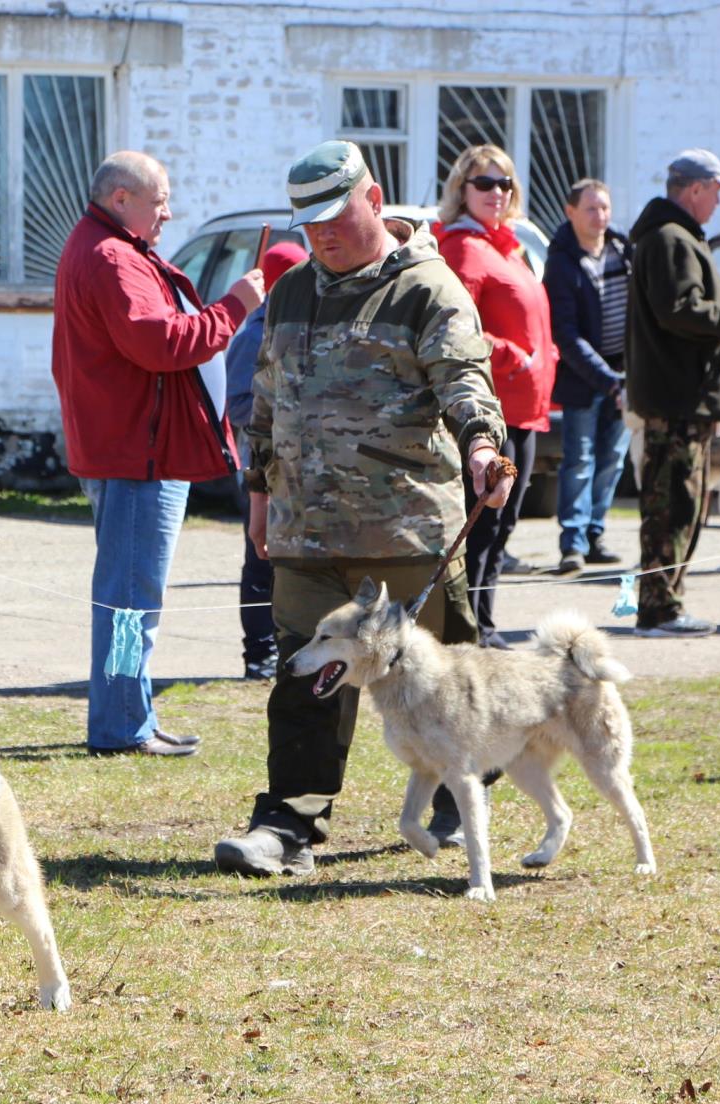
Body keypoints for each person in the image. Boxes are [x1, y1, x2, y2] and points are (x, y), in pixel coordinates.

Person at [212, 140, 512, 877]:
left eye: (335, 217)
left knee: (444, 685)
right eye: (307, 223)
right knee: (302, 680)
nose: (321, 235)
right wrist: (258, 492)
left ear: (374, 200)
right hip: (305, 534)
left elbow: (465, 380)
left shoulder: (428, 289)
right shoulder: (291, 293)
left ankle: (459, 792)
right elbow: (268, 400)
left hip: (406, 533)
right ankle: (288, 826)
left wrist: (481, 446)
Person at [52, 151, 265, 755]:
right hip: (136, 456)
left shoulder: (108, 247)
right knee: (128, 600)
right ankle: (122, 724)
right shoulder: (111, 256)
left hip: (134, 450)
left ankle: (130, 712)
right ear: (122, 199)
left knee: (132, 596)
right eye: (160, 199)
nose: (169, 212)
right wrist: (235, 308)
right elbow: (160, 343)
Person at [626, 149, 720, 637]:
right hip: (676, 400)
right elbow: (681, 311)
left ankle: (665, 603)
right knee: (672, 505)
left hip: (681, 397)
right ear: (694, 189)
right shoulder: (672, 239)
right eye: (714, 191)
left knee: (681, 504)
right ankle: (660, 608)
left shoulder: (674, 237)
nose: (717, 202)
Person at [433, 143, 556, 647]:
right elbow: (454, 331)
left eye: (504, 183)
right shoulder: (462, 247)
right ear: (462, 190)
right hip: (489, 411)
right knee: (481, 525)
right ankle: (466, 630)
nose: (497, 192)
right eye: (484, 182)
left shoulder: (508, 246)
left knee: (501, 526)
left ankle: (484, 622)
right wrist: (512, 354)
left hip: (527, 409)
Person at [225, 241, 310, 680]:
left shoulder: (306, 326)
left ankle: (289, 646)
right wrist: (280, 415)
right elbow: (238, 403)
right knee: (260, 562)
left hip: (304, 469)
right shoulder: (254, 333)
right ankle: (257, 654)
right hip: (264, 465)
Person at [544, 177, 633, 575]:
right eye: (591, 209)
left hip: (626, 375)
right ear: (571, 212)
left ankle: (596, 534)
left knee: (612, 458)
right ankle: (573, 543)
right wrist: (607, 380)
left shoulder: (622, 250)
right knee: (579, 459)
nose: (600, 216)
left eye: (605, 208)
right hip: (584, 378)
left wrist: (628, 377)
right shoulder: (561, 259)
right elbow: (566, 333)